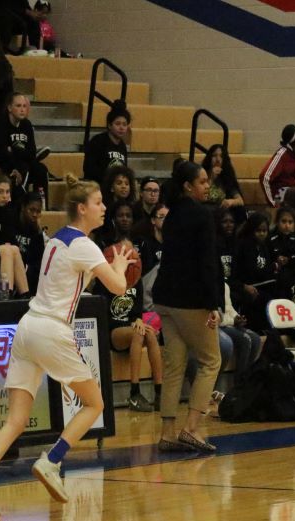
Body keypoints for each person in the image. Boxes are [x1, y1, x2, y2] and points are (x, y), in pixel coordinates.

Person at [0, 173, 135, 517]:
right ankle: (52, 461)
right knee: (95, 403)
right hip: (51, 330)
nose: (104, 208)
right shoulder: (84, 245)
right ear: (82, 209)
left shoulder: (56, 240)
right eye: (99, 203)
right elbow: (117, 287)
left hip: (27, 328)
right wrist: (117, 265)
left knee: (16, 419)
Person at [153, 161, 223, 452]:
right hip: (190, 301)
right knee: (211, 361)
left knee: (174, 366)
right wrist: (213, 303)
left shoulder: (171, 216)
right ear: (188, 186)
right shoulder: (202, 216)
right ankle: (192, 428)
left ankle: (168, 433)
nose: (208, 186)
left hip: (164, 299)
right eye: (203, 182)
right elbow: (208, 263)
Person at [94, 249, 162, 412]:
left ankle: (160, 392)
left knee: (150, 333)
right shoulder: (104, 281)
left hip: (132, 330)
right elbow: (102, 314)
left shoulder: (136, 279)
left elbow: (138, 312)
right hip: (113, 332)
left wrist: (138, 320)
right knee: (138, 333)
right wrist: (133, 325)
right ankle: (134, 392)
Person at [0, 93, 49, 207]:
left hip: (24, 163)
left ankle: (42, 204)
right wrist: (14, 161)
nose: (22, 110)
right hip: (5, 166)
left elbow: (31, 153)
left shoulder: (27, 125)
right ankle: (20, 206)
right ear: (10, 108)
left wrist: (13, 150)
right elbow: (0, 153)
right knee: (14, 175)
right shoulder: (0, 125)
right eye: (18, 106)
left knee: (41, 169)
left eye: (24, 106)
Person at [232, 212, 275, 333]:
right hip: (245, 287)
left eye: (264, 231)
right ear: (251, 230)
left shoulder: (265, 247)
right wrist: (244, 287)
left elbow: (266, 270)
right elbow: (238, 275)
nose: (262, 234)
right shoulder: (243, 246)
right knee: (260, 299)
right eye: (258, 231)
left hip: (262, 286)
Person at [83, 99, 129, 185]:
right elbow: (89, 169)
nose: (121, 128)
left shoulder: (122, 145)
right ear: (109, 125)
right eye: (118, 124)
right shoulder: (97, 141)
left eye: (124, 124)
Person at [260, 124, 295, 208]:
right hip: (281, 194)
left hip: (291, 192)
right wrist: (272, 202)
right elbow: (264, 177)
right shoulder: (282, 154)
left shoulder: (294, 154)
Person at [202, 144, 245, 224]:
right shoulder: (202, 174)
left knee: (240, 210)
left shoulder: (226, 177)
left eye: (221, 156)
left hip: (222, 211)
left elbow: (240, 201)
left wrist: (230, 201)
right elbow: (203, 196)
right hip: (207, 209)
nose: (218, 159)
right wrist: (211, 179)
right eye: (214, 156)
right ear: (209, 158)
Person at [16, 191, 47, 294]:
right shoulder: (12, 224)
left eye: (38, 211)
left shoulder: (37, 234)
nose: (34, 215)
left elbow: (39, 263)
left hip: (28, 275)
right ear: (23, 207)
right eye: (31, 210)